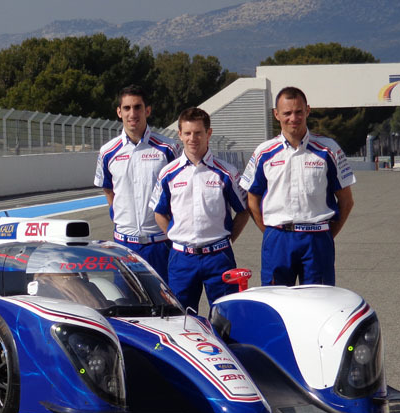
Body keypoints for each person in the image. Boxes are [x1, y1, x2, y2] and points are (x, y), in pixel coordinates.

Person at [240, 86, 355, 286]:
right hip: (278, 239)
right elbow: (252, 200)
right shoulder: (263, 152)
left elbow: (346, 201)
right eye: (287, 113)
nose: (293, 118)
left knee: (319, 304)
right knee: (276, 303)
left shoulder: (329, 149)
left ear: (307, 111)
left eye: (299, 112)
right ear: (276, 115)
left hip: (317, 239)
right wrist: (270, 231)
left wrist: (326, 233)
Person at [152, 107, 249, 311]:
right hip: (182, 259)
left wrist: (228, 238)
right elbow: (159, 212)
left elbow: (243, 210)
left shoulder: (227, 173)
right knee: (182, 317)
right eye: (187, 133)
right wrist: (173, 235)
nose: (192, 138)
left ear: (209, 133)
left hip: (219, 257)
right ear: (179, 134)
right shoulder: (168, 174)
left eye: (198, 133)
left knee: (226, 316)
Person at [94, 85, 179, 283]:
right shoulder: (108, 151)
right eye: (127, 108)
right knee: (126, 304)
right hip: (124, 246)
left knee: (166, 308)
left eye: (138, 107)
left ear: (147, 110)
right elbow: (108, 189)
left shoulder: (168, 148)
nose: (132, 114)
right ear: (119, 112)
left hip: (161, 244)